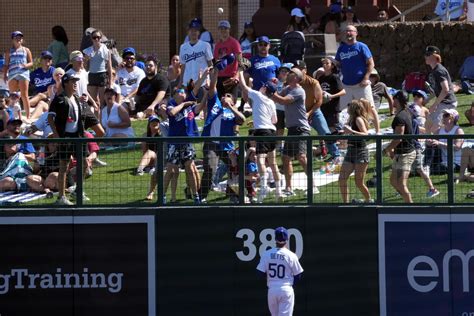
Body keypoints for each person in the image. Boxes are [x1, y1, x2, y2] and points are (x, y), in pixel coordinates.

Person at [47, 73, 104, 205]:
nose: (75, 84)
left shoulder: (77, 99)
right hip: (65, 137)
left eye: (76, 81)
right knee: (64, 167)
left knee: (84, 164)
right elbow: (50, 118)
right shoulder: (59, 99)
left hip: (78, 137)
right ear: (65, 83)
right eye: (73, 81)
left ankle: (78, 190)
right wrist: (56, 134)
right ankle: (61, 197)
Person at [200, 67, 245, 203]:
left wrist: (231, 107)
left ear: (233, 101)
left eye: (229, 96)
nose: (225, 97)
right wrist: (216, 73)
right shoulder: (215, 104)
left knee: (236, 167)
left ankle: (232, 194)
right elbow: (212, 87)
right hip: (212, 144)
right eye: (224, 95)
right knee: (210, 169)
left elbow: (242, 120)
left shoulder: (232, 113)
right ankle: (201, 196)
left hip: (227, 146)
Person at [239, 70, 282, 202]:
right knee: (273, 162)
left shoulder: (258, 95)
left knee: (260, 160)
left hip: (262, 132)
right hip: (271, 131)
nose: (261, 87)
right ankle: (279, 191)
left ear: (265, 89)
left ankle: (263, 188)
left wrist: (240, 72)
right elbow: (274, 120)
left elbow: (244, 87)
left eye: (263, 86)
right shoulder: (271, 103)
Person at [270, 67, 314, 196]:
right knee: (285, 157)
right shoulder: (288, 88)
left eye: (291, 73)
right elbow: (277, 96)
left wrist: (271, 92)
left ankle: (313, 185)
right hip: (292, 129)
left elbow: (283, 100)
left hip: (301, 129)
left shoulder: (298, 91)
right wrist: (273, 86)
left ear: (297, 77)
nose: (288, 74)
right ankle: (289, 188)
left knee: (301, 157)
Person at [336, 25, 379, 133]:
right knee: (343, 111)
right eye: (346, 31)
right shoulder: (341, 48)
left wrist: (366, 78)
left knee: (370, 107)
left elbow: (371, 63)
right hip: (346, 85)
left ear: (356, 33)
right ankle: (345, 134)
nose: (348, 33)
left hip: (361, 85)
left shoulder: (361, 46)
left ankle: (378, 131)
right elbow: (338, 64)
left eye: (350, 31)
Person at [295, 60, 341, 162]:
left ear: (305, 70)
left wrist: (309, 113)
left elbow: (319, 101)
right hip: (299, 114)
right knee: (296, 135)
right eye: (295, 70)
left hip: (314, 111)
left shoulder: (313, 82)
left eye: (300, 69)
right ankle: (296, 156)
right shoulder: (291, 83)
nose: (297, 72)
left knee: (325, 132)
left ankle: (336, 154)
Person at [256, 227, 304, 316]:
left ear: (275, 239)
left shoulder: (266, 254)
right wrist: (289, 285)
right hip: (286, 289)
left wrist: (270, 278)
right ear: (287, 239)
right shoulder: (291, 255)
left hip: (272, 290)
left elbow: (259, 273)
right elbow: (298, 275)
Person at [384, 90, 416, 203]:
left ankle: (411, 208)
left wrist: (387, 149)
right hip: (400, 153)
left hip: (406, 154)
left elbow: (398, 138)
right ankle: (405, 197)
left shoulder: (400, 117)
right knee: (393, 181)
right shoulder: (405, 112)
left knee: (401, 184)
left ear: (397, 100)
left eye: (394, 98)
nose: (392, 100)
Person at [406, 90, 440, 198]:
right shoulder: (410, 109)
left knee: (417, 167)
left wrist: (421, 130)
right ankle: (402, 188)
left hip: (420, 139)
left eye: (419, 96)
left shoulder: (425, 110)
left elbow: (429, 126)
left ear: (423, 98)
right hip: (414, 138)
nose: (416, 97)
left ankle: (431, 187)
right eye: (414, 95)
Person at [338, 100, 372, 203]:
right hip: (350, 151)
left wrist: (351, 131)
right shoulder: (351, 120)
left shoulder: (358, 119)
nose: (347, 108)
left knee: (359, 182)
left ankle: (369, 200)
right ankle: (346, 204)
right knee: (342, 179)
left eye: (349, 106)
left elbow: (366, 134)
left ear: (353, 108)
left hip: (360, 152)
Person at [424, 45, 457, 134]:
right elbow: (438, 90)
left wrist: (434, 105)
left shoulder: (439, 71)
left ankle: (437, 146)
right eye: (425, 54)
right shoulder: (434, 70)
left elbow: (445, 90)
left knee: (435, 128)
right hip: (443, 102)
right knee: (427, 124)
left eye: (428, 54)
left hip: (447, 103)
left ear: (435, 56)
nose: (425, 56)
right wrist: (427, 100)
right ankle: (430, 146)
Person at [3, 31, 33, 119]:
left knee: (24, 95)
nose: (18, 39)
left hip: (23, 73)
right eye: (16, 37)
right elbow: (6, 64)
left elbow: (31, 62)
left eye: (20, 37)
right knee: (12, 96)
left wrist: (26, 65)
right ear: (12, 39)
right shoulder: (8, 52)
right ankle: (12, 116)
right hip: (12, 74)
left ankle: (28, 116)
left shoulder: (26, 50)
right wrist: (5, 75)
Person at [179, 19, 214, 91]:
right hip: (187, 83)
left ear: (199, 32)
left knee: (201, 102)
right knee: (188, 102)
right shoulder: (183, 47)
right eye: (191, 30)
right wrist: (180, 82)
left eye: (196, 30)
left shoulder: (205, 45)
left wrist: (211, 80)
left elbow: (210, 64)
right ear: (188, 32)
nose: (193, 32)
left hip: (202, 83)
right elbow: (183, 66)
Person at [427, 109, 464, 173]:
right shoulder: (440, 130)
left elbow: (457, 147)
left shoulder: (458, 130)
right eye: (444, 115)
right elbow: (431, 139)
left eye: (446, 115)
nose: (443, 117)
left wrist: (439, 143)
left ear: (453, 118)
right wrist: (429, 141)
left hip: (456, 162)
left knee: (435, 170)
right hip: (443, 161)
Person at [83, 29, 113, 108]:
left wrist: (110, 82)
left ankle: (102, 119)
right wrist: (86, 60)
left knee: (103, 102)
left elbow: (109, 67)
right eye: (94, 37)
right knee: (94, 102)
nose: (96, 39)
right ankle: (96, 119)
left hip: (101, 75)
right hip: (92, 75)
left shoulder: (106, 50)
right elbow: (84, 67)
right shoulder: (88, 51)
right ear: (91, 38)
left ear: (101, 38)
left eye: (98, 37)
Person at [214, 20, 242, 98]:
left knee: (231, 103)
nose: (223, 30)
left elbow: (240, 62)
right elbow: (216, 62)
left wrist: (237, 76)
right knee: (219, 103)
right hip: (219, 78)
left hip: (231, 77)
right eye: (221, 28)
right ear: (218, 30)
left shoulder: (234, 43)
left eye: (225, 28)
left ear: (229, 30)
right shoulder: (217, 45)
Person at [318, 57, 346, 132]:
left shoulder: (334, 77)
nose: (324, 65)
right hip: (323, 106)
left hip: (333, 107)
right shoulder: (321, 78)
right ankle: (325, 143)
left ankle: (337, 142)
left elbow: (343, 91)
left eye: (327, 63)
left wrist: (331, 96)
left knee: (333, 128)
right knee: (323, 127)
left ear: (332, 66)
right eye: (323, 63)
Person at [117, 47, 145, 113]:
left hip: (134, 98)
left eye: (131, 58)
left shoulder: (140, 72)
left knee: (130, 105)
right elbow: (112, 83)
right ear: (123, 60)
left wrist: (127, 98)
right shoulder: (119, 72)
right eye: (127, 58)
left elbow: (138, 88)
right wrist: (117, 69)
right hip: (121, 98)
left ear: (135, 60)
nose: (129, 60)